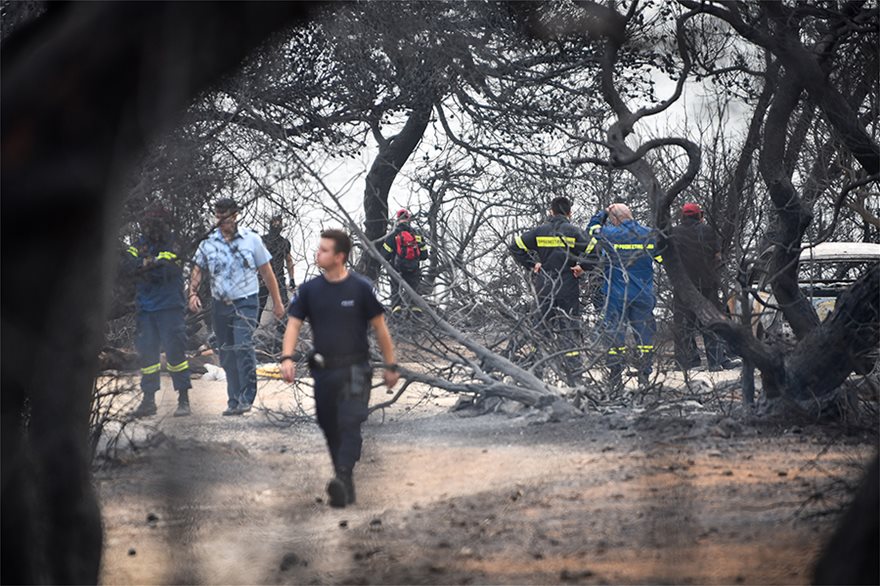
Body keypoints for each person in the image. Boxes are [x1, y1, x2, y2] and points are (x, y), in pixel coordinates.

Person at [281, 229, 399, 508]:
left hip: (356, 367)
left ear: (340, 257)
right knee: (329, 426)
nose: (317, 254)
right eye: (318, 248)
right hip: (324, 370)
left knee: (351, 420)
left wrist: (391, 364)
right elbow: (294, 324)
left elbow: (380, 328)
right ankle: (343, 483)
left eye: (323, 250)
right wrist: (287, 358)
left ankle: (343, 475)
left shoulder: (360, 288)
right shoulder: (310, 290)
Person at [188, 198, 285, 416]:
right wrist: (192, 293)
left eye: (226, 216)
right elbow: (197, 269)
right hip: (220, 305)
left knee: (242, 347)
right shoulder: (209, 243)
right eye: (218, 216)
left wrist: (278, 302)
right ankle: (233, 399)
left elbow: (267, 272)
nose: (222, 221)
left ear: (235, 215)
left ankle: (246, 396)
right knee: (227, 352)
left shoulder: (252, 240)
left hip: (246, 302)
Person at [509, 196, 592, 386]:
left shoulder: (539, 231)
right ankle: (575, 378)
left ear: (551, 212)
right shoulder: (575, 232)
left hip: (545, 287)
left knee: (541, 331)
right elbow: (595, 253)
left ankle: (537, 375)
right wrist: (582, 267)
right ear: (569, 213)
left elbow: (515, 247)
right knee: (570, 330)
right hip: (568, 287)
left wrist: (532, 264)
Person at [125, 207, 192, 417]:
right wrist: (150, 264)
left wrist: (145, 266)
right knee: (147, 356)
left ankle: (183, 399)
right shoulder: (140, 243)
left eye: (153, 225)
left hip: (169, 307)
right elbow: (126, 266)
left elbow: (168, 270)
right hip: (145, 308)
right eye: (146, 225)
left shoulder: (173, 242)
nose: (149, 229)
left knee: (176, 354)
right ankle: (148, 400)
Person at [586, 203, 661, 388]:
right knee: (644, 337)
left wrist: (601, 214)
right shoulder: (649, 234)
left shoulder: (609, 234)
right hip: (643, 292)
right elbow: (661, 257)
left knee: (614, 335)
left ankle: (615, 376)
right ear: (631, 215)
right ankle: (644, 376)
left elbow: (591, 231)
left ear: (614, 219)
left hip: (616, 294)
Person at [670, 202, 741, 371]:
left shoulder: (674, 233)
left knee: (683, 325)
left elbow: (666, 257)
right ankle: (716, 361)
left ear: (683, 216)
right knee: (712, 322)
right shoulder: (708, 231)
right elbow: (718, 257)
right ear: (699, 216)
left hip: (683, 286)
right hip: (707, 286)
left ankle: (686, 361)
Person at [258, 214, 296, 352]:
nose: (277, 226)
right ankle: (247, 336)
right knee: (258, 307)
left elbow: (289, 260)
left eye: (279, 223)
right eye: (274, 223)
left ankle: (281, 342)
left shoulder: (284, 242)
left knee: (283, 307)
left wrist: (292, 278)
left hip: (279, 278)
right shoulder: (262, 240)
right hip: (262, 278)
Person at [379, 209, 428, 315]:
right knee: (414, 291)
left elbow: (385, 256)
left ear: (397, 219)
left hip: (397, 270)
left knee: (395, 289)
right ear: (408, 218)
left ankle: (396, 310)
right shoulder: (417, 235)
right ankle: (416, 312)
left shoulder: (393, 235)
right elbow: (424, 256)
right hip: (414, 269)